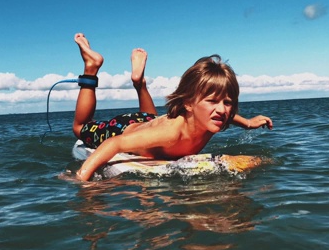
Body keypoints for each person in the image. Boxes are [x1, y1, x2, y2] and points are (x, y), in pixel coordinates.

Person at [72, 32, 273, 181]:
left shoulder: (215, 117)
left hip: (149, 122)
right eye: (212, 101)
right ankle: (91, 66)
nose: (222, 110)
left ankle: (139, 82)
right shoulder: (170, 135)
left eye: (227, 102)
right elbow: (114, 144)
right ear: (188, 103)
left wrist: (248, 123)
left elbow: (227, 115)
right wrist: (82, 179)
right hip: (121, 129)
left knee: (150, 117)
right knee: (79, 128)